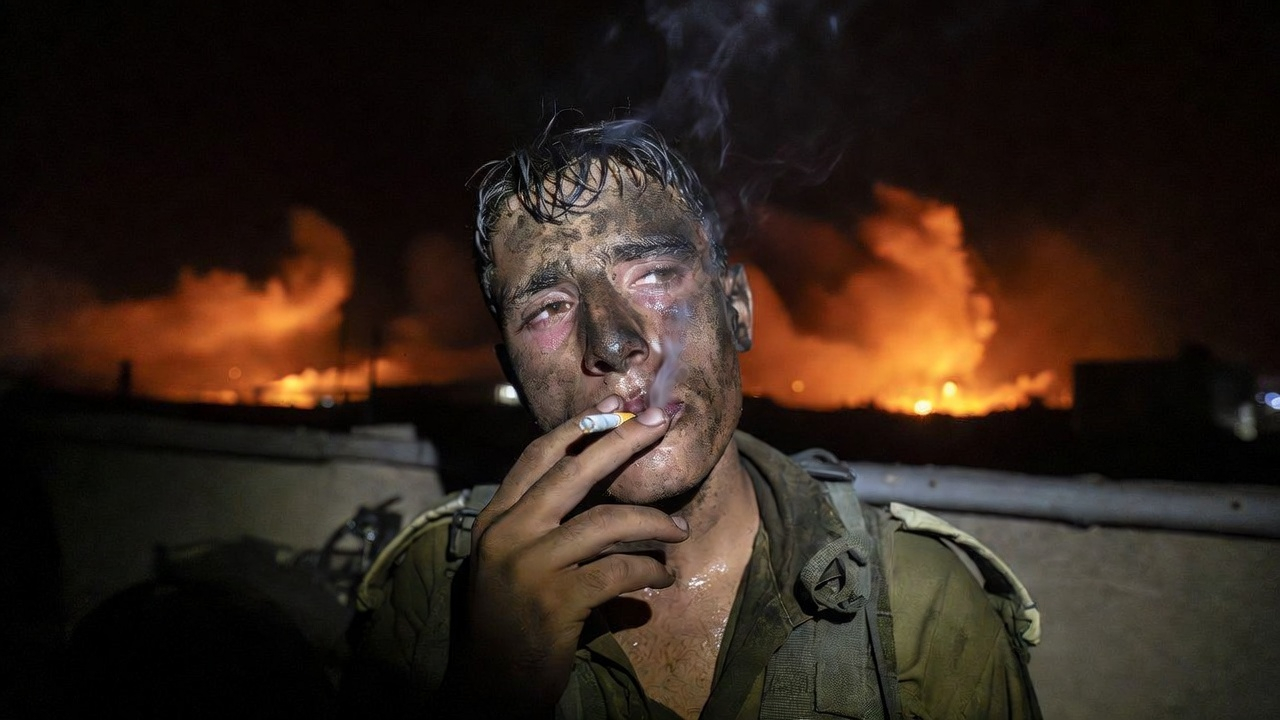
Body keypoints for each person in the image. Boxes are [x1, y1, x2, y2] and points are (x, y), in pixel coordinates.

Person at [342, 119, 1042, 719]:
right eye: (548, 307)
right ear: (514, 374)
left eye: (652, 275)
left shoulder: (915, 600)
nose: (612, 343)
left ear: (736, 309)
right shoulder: (437, 590)